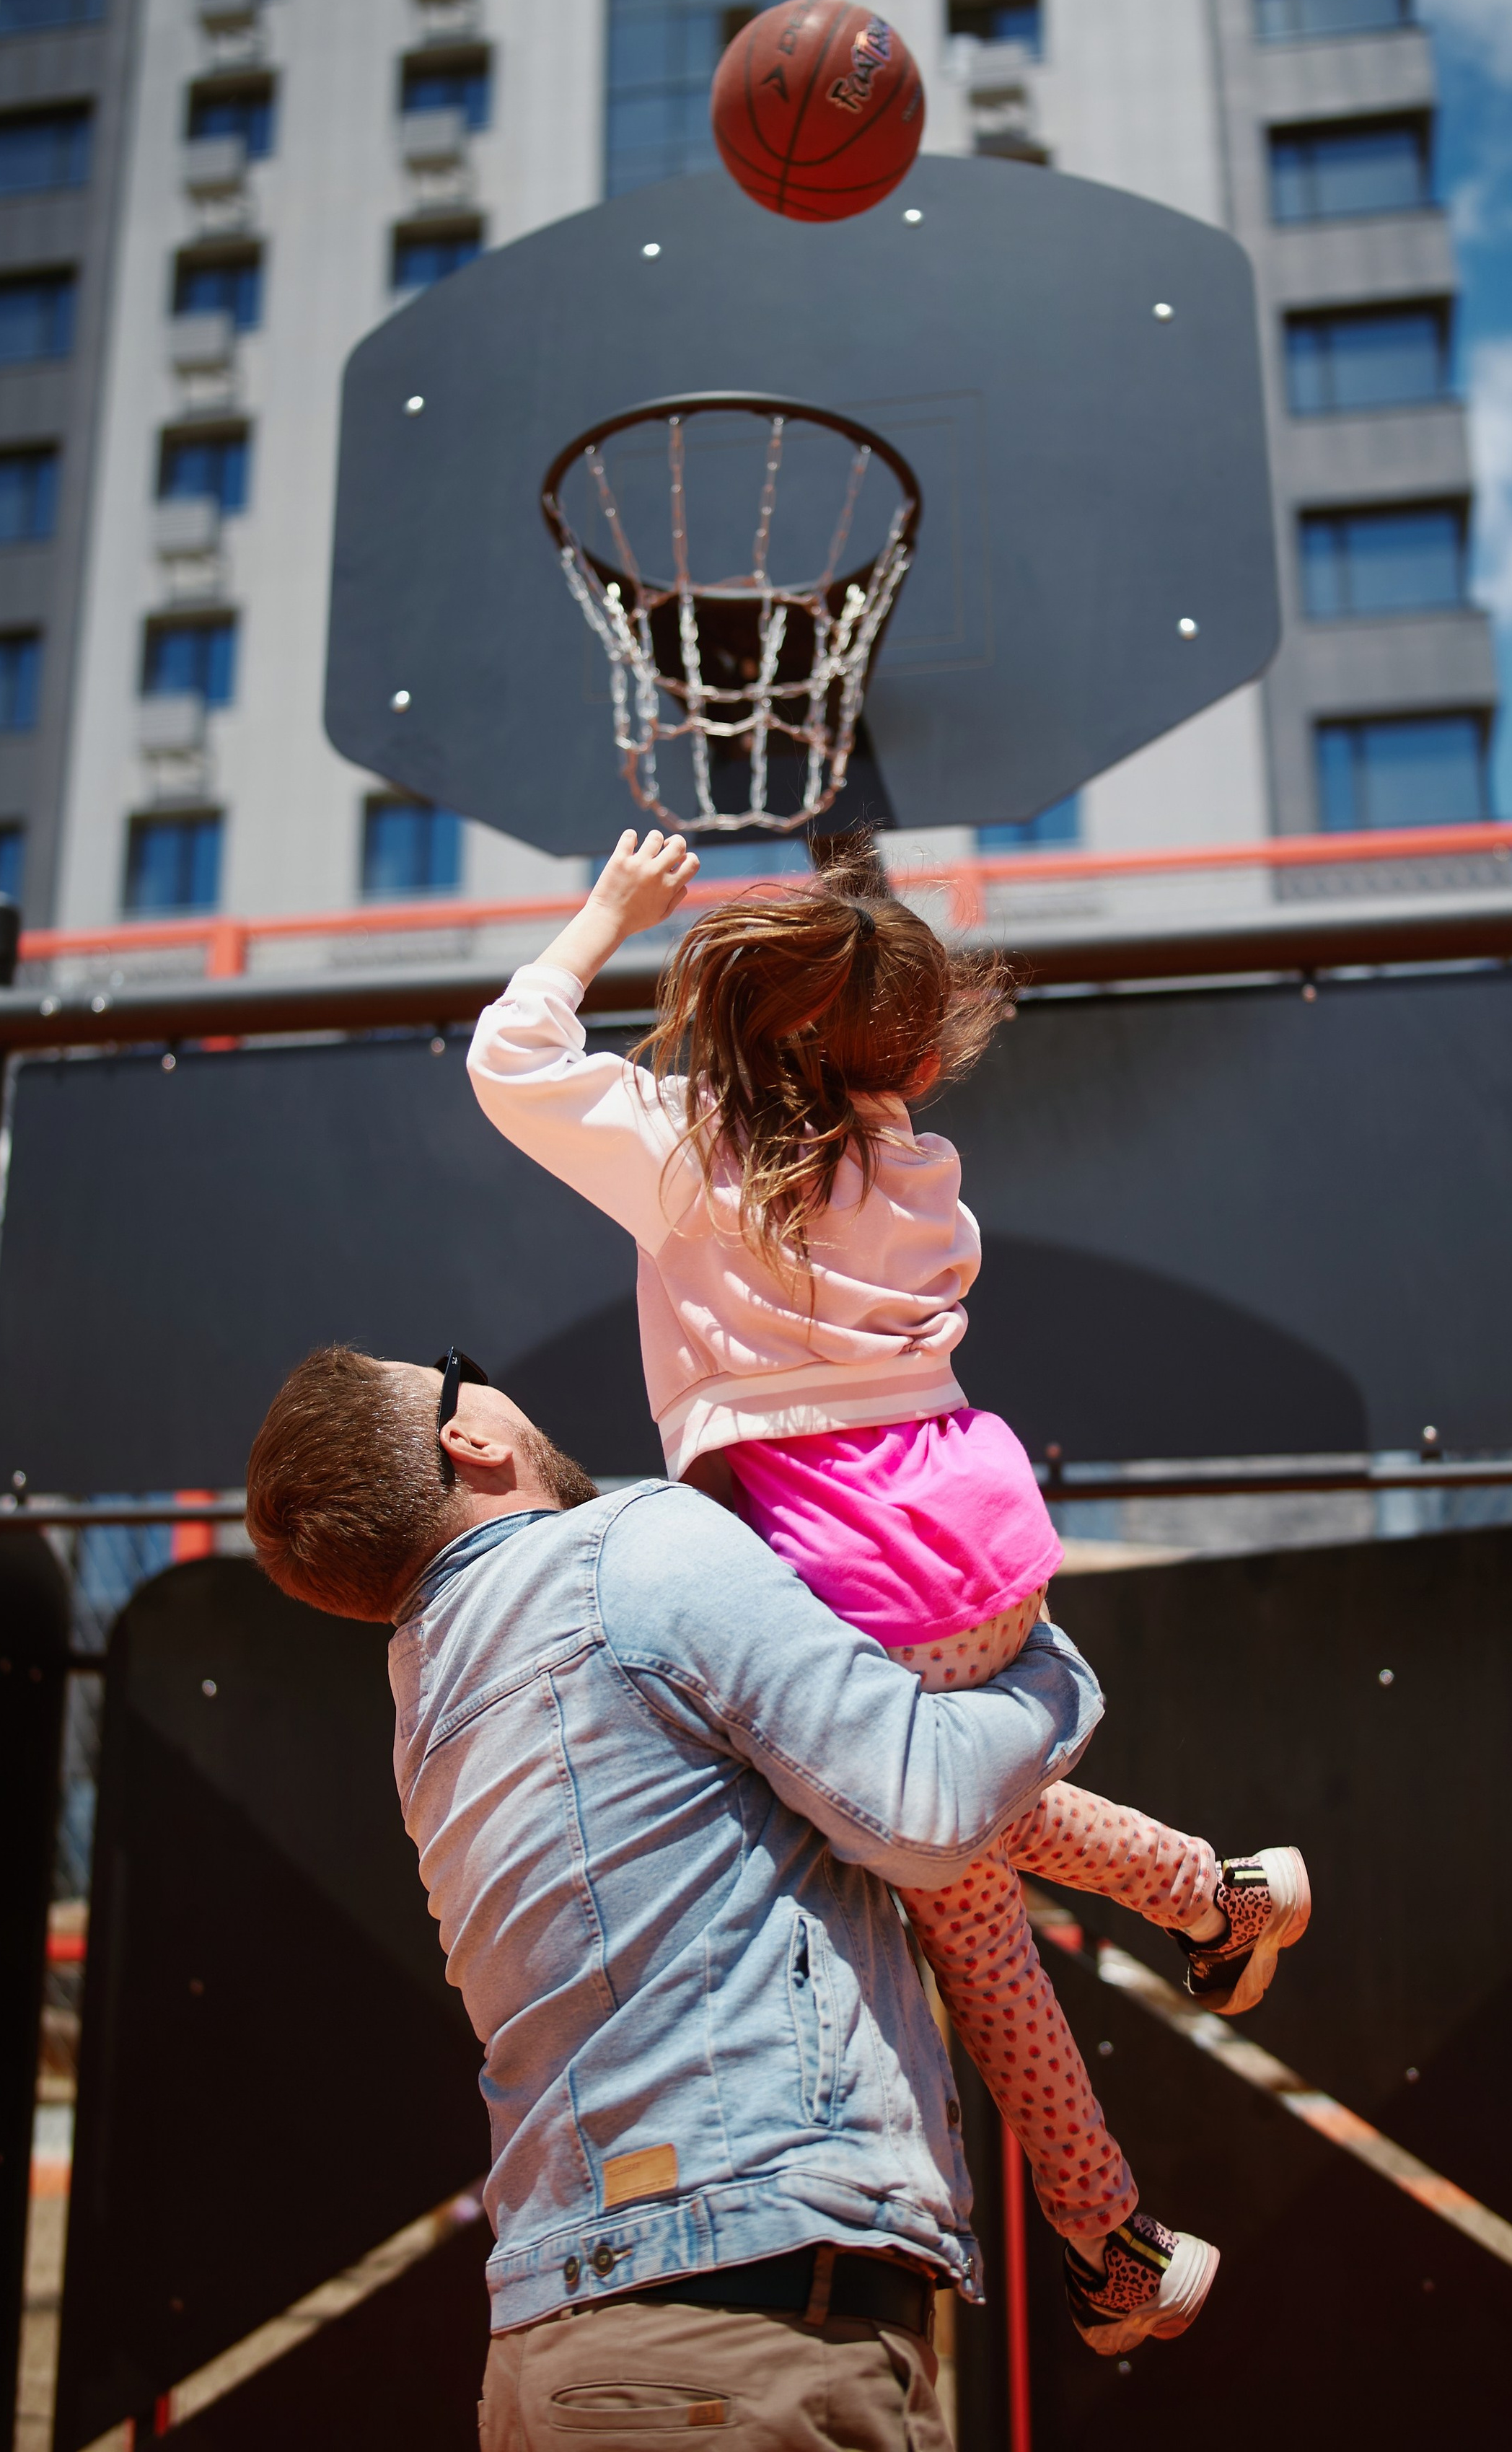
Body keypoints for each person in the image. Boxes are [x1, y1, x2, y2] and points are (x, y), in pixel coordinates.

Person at [465, 827, 1311, 2354]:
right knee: (974, 1817)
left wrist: (609, 914)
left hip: (853, 1576)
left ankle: (1112, 2235)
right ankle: (1218, 1898)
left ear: (744, 1030)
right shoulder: (913, 1163)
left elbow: (511, 1061)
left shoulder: (689, 1157)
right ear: (912, 1061)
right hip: (977, 1549)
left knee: (974, 1927)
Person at [246, 1343, 1108, 2450]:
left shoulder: (430, 1700)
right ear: (469, 1437)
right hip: (737, 2326)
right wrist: (1048, 1666)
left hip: (557, 2344)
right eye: (463, 1369)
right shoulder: (629, 1553)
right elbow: (922, 1802)